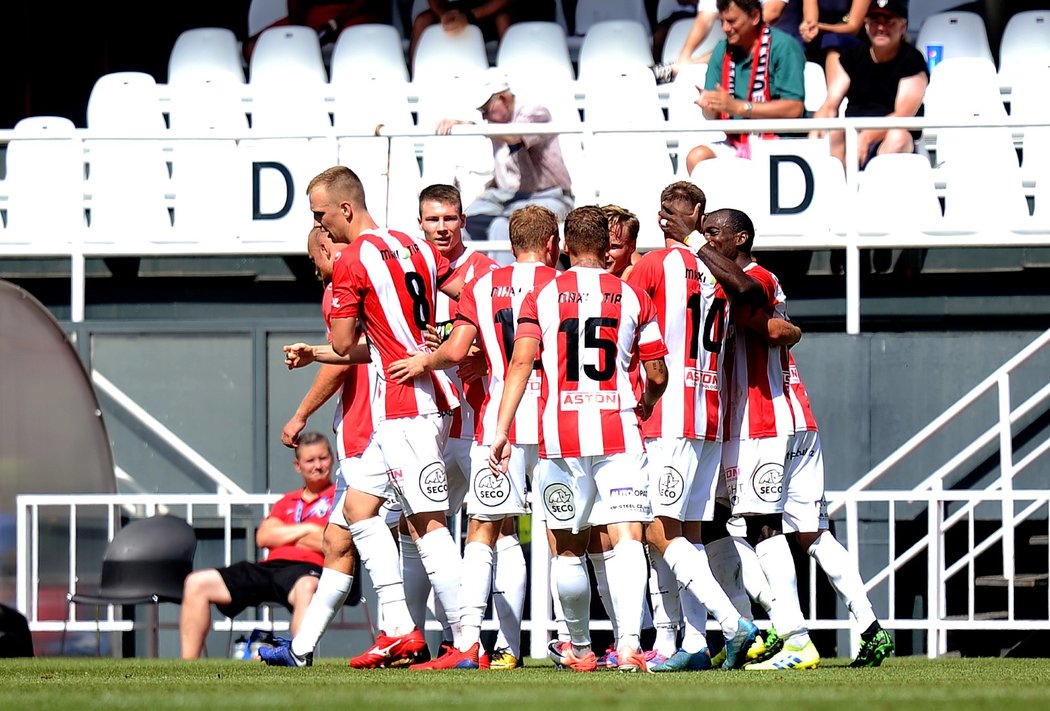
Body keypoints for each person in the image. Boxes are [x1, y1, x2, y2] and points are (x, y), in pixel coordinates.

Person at [284, 165, 468, 668]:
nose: (322, 228)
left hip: (407, 406)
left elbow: (346, 346)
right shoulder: (414, 244)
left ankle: (466, 641)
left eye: (322, 216)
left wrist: (329, 350)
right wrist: (447, 338)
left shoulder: (351, 263)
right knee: (359, 515)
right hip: (410, 404)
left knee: (427, 525)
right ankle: (400, 630)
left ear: (345, 208)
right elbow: (466, 292)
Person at [488, 206, 673, 673]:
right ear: (605, 245)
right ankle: (630, 645)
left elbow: (521, 364)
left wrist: (503, 429)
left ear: (566, 246)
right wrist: (647, 401)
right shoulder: (632, 295)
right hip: (620, 430)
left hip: (559, 436)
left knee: (568, 545)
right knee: (629, 537)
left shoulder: (543, 296)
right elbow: (657, 372)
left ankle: (579, 646)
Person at [389, 203, 564, 670]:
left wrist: (425, 360)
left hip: (495, 422)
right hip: (555, 422)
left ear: (510, 245)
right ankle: (557, 643)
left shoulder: (484, 285)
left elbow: (456, 350)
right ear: (553, 245)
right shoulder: (562, 286)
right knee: (561, 533)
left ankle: (468, 643)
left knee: (486, 530)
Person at [260, 228, 401, 667]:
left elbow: (343, 360)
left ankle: (407, 633)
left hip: (375, 430)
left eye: (313, 258)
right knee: (338, 540)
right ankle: (301, 649)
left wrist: (300, 413)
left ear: (325, 248)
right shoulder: (386, 269)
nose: (315, 268)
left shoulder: (345, 285)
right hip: (377, 427)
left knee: (414, 533)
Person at [179, 432, 337, 659]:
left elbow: (330, 543)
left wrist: (285, 534)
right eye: (310, 460)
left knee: (307, 587)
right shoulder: (287, 501)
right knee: (196, 582)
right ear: (298, 465)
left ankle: (298, 658)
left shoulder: (339, 497)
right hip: (270, 567)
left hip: (309, 570)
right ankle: (188, 666)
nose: (318, 466)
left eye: (323, 458)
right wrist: (308, 529)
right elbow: (263, 537)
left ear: (332, 459)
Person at [435, 68, 574, 244]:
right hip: (507, 195)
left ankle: (504, 272)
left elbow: (515, 136)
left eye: (486, 110)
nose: (485, 117)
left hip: (550, 195)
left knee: (502, 226)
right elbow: (510, 171)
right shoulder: (495, 125)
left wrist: (471, 126)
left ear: (502, 98)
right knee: (463, 221)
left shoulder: (536, 113)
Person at [684, 0, 806, 174]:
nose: (725, 28)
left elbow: (794, 108)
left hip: (779, 143)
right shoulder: (721, 50)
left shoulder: (784, 46)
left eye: (732, 21)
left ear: (755, 16)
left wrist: (738, 107)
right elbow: (712, 116)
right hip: (736, 143)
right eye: (722, 21)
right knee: (698, 157)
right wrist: (709, 107)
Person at [810, 0, 928, 169]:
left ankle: (878, 191)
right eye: (875, 22)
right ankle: (835, 188)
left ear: (903, 27)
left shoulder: (912, 60)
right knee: (831, 130)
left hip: (890, 137)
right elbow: (830, 104)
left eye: (888, 22)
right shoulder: (854, 56)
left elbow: (903, 115)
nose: (881, 28)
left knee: (898, 137)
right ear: (866, 26)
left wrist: (866, 137)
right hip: (854, 133)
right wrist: (817, 127)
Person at [651, 0, 799, 84]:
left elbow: (770, 14)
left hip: (779, 49)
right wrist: (684, 57)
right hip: (741, 52)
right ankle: (679, 68)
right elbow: (704, 19)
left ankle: (679, 69)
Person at [242, 1, 392, 63]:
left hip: (355, 12)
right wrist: (299, 32)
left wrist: (335, 23)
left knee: (354, 45)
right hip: (315, 15)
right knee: (253, 46)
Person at [409, 1, 554, 65]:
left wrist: (469, 16)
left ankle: (508, 86)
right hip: (466, 9)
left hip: (505, 8)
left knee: (503, 19)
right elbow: (435, 2)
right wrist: (444, 15)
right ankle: (412, 82)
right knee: (422, 20)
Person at [800, 0, 871, 89]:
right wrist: (808, 30)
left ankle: (834, 94)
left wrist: (822, 27)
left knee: (832, 41)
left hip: (850, 38)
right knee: (798, 43)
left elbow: (853, 27)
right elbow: (810, 20)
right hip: (820, 34)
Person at [602, 205, 641, 280]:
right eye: (601, 246)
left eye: (614, 247)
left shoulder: (642, 282)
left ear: (632, 246)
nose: (605, 254)